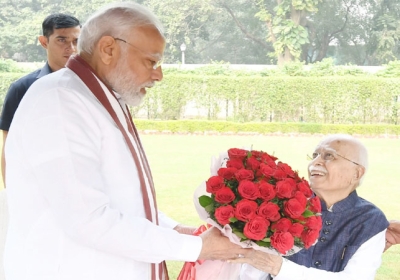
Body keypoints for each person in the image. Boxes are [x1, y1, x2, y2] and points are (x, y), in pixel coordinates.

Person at [3, 3, 249, 280]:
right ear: (108, 49)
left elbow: (126, 200)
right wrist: (196, 247)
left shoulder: (96, 96)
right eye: (151, 61)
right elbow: (87, 220)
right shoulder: (60, 100)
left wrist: (176, 229)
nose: (158, 75)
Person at [233, 134, 388, 280]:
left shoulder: (371, 220)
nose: (315, 163)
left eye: (329, 156)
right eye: (314, 156)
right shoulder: (283, 203)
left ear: (357, 173)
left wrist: (280, 268)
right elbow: (252, 269)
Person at [0, 13, 81, 185]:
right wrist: (11, 193)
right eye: (62, 40)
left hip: (83, 184)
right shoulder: (21, 89)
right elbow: (9, 148)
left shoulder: (91, 88)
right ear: (44, 42)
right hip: (36, 185)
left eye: (76, 41)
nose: (71, 48)